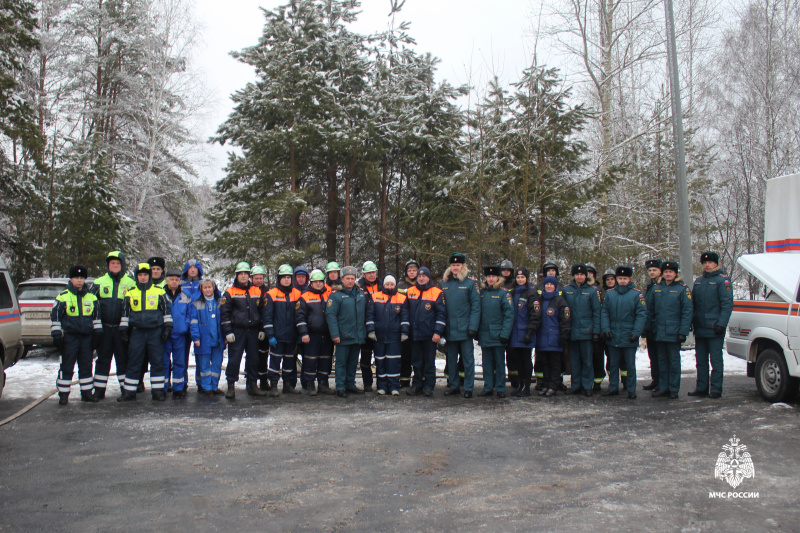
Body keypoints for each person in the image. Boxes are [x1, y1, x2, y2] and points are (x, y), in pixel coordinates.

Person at [118, 263, 172, 401]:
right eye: (140, 275)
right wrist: (124, 330)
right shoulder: (130, 293)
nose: (143, 277)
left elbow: (167, 312)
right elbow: (125, 314)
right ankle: (129, 392)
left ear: (149, 276)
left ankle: (158, 391)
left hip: (155, 332)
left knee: (157, 361)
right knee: (134, 361)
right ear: (136, 277)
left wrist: (167, 328)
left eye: (145, 275)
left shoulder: (159, 292)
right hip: (137, 332)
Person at [51, 265, 103, 405]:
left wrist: (98, 334)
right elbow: (55, 318)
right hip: (70, 338)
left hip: (87, 338)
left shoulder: (92, 297)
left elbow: (97, 318)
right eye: (76, 278)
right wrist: (57, 336)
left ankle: (86, 393)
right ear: (71, 279)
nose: (79, 281)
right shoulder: (63, 297)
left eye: (81, 278)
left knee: (86, 366)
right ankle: (63, 394)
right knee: (67, 366)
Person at [91, 251, 135, 399]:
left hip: (121, 329)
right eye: (112, 263)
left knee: (122, 359)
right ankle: (99, 390)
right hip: (104, 328)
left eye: (117, 263)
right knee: (103, 359)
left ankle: (125, 388)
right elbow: (91, 303)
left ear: (122, 265)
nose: (115, 266)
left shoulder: (130, 283)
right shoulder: (99, 282)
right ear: (108, 265)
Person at [690, 251, 733, 399]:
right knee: (700, 361)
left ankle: (715, 389)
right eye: (705, 262)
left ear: (716, 264)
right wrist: (691, 321)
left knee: (715, 361)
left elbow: (727, 305)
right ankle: (701, 388)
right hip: (700, 327)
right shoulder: (699, 281)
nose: (707, 265)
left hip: (715, 328)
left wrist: (722, 324)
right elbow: (693, 304)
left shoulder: (722, 281)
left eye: (710, 262)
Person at [648, 261, 693, 399]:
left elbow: (687, 311)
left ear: (675, 273)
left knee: (673, 361)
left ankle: (673, 389)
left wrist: (683, 332)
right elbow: (649, 310)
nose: (668, 274)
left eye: (671, 272)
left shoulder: (682, 289)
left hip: (674, 331)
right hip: (659, 331)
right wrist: (648, 328)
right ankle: (663, 387)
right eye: (666, 272)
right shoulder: (656, 289)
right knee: (661, 360)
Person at [220, 262, 265, 399]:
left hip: (253, 331)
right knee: (234, 359)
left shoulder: (257, 291)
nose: (244, 276)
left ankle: (252, 385)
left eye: (246, 274)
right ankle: (230, 386)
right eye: (241, 274)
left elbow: (263, 312)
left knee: (253, 359)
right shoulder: (230, 292)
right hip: (237, 331)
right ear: (237, 275)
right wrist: (228, 332)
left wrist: (262, 329)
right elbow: (224, 313)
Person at [600, 266, 646, 399]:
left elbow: (641, 315)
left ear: (629, 279)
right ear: (616, 279)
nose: (622, 281)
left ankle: (631, 389)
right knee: (613, 364)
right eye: (620, 278)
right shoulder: (610, 294)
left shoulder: (637, 294)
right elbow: (605, 313)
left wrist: (636, 332)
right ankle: (613, 387)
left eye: (625, 278)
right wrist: (606, 329)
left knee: (630, 365)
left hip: (629, 335)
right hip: (613, 335)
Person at [440, 253, 481, 398]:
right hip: (450, 329)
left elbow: (476, 307)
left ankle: (469, 387)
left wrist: (473, 327)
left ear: (463, 266)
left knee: (468, 360)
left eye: (458, 265)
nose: (455, 267)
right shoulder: (444, 283)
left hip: (465, 329)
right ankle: (454, 385)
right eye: (453, 265)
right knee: (451, 360)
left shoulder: (471, 283)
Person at [526, 276, 571, 397]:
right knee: (544, 363)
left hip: (555, 339)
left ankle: (553, 386)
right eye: (547, 284)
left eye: (552, 284)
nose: (549, 286)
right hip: (542, 338)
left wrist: (563, 335)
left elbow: (565, 320)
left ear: (555, 286)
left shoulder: (560, 301)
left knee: (555, 364)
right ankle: (545, 384)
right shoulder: (539, 300)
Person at [326, 265, 367, 398]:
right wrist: (335, 334)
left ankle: (350, 384)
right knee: (341, 363)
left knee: (353, 362)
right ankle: (340, 386)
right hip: (343, 336)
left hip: (357, 335)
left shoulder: (361, 293)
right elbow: (331, 315)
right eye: (347, 278)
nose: (350, 281)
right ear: (342, 279)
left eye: (352, 278)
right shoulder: (336, 296)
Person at [561, 263, 602, 397]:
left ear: (586, 276)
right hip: (572, 331)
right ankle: (575, 385)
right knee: (574, 361)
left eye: (582, 274)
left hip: (587, 331)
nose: (579, 276)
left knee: (587, 360)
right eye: (577, 274)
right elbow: (563, 312)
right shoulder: (567, 290)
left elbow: (597, 312)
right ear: (573, 276)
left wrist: (596, 331)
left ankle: (587, 386)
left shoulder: (592, 291)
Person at [262, 264, 303, 396]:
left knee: (289, 362)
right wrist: (270, 335)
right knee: (274, 362)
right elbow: (267, 317)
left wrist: (299, 333)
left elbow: (300, 315)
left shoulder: (297, 294)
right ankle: (273, 385)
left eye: (288, 277)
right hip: (277, 336)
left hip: (291, 336)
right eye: (284, 277)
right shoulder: (271, 294)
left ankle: (287, 385)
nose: (286, 280)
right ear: (279, 278)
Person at [366, 274, 409, 396]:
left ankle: (394, 386)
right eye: (387, 284)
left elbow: (404, 317)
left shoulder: (401, 298)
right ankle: (382, 386)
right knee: (380, 361)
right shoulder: (375, 297)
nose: (389, 287)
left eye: (392, 284)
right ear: (383, 285)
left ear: (395, 285)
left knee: (393, 362)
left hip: (394, 336)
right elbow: (370, 315)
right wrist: (371, 330)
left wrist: (404, 331)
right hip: (379, 336)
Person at [406, 266, 446, 397]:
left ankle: (429, 386)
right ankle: (417, 384)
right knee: (416, 361)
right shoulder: (410, 291)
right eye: (419, 276)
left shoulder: (437, 292)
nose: (421, 278)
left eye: (424, 276)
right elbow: (405, 311)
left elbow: (441, 314)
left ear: (429, 278)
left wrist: (437, 332)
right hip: (415, 333)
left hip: (430, 334)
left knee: (429, 361)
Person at [477, 265, 514, 398]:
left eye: (493, 276)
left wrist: (505, 334)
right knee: (486, 364)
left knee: (499, 363)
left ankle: (500, 388)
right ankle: (488, 387)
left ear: (498, 277)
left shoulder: (504, 293)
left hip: (498, 335)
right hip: (485, 334)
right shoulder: (481, 292)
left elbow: (509, 315)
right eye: (488, 276)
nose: (491, 279)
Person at [296, 269, 335, 395]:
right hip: (312, 335)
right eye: (315, 282)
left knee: (325, 359)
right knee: (310, 360)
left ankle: (323, 383)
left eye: (320, 281)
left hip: (327, 334)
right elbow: (300, 316)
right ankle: (310, 384)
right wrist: (304, 333)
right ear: (311, 283)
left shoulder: (329, 296)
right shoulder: (305, 297)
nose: (318, 284)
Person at [189, 280, 225, 398]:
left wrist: (224, 337)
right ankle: (207, 388)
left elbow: (224, 321)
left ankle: (214, 386)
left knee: (216, 364)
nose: (208, 290)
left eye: (209, 287)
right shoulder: (196, 304)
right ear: (201, 290)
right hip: (203, 340)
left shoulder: (220, 303)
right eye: (205, 288)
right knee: (204, 365)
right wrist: (195, 337)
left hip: (218, 339)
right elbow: (193, 322)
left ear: (214, 288)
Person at [163, 269, 193, 397]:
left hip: (180, 334)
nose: (174, 282)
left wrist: (185, 326)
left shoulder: (185, 296)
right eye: (172, 279)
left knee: (179, 361)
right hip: (164, 334)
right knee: (164, 362)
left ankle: (178, 387)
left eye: (176, 279)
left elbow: (189, 313)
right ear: (166, 280)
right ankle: (162, 388)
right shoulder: (161, 295)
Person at [533, 261, 563, 389]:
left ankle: (556, 383)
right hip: (542, 333)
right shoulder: (538, 288)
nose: (551, 272)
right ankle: (542, 382)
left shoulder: (562, 288)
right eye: (548, 270)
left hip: (555, 333)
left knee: (556, 361)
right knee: (542, 360)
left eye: (553, 270)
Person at [508, 267, 536, 397]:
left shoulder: (531, 293)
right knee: (517, 360)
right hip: (514, 333)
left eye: (522, 277)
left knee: (526, 360)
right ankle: (520, 385)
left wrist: (530, 331)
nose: (520, 279)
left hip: (525, 332)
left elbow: (534, 315)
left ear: (526, 279)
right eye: (518, 277)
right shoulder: (512, 293)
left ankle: (527, 387)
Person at [357, 260, 382, 392]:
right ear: (364, 274)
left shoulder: (382, 284)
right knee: (365, 358)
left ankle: (381, 383)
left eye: (373, 272)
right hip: (364, 326)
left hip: (380, 326)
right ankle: (367, 383)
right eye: (368, 273)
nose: (371, 275)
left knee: (379, 358)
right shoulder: (358, 286)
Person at [181, 258, 204, 389]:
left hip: (199, 325)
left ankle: (200, 382)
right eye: (190, 268)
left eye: (195, 267)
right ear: (186, 270)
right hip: (183, 325)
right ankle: (182, 382)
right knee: (182, 356)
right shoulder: (180, 285)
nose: (193, 270)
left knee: (200, 356)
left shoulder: (204, 284)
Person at [396, 259, 419, 389]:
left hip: (418, 324)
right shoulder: (401, 285)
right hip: (404, 323)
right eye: (409, 270)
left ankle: (419, 379)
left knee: (417, 354)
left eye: (414, 270)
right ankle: (404, 379)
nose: (412, 273)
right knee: (404, 354)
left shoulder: (422, 284)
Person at [641, 259, 663, 391]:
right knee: (653, 356)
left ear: (660, 271)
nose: (652, 272)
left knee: (661, 357)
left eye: (654, 270)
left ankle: (662, 382)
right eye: (650, 270)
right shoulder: (648, 286)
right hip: (649, 326)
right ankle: (655, 380)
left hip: (659, 326)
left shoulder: (663, 285)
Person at [250, 266, 272, 392]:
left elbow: (267, 312)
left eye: (261, 278)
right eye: (256, 278)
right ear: (251, 278)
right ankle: (251, 381)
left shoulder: (268, 292)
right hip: (251, 328)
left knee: (264, 356)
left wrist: (264, 329)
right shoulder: (248, 291)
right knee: (252, 356)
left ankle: (264, 381)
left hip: (263, 328)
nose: (259, 280)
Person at [587, 264, 606, 391]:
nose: (588, 275)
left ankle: (597, 382)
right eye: (586, 272)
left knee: (597, 357)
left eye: (590, 272)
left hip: (597, 328)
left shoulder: (600, 290)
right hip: (583, 329)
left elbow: (603, 310)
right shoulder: (575, 289)